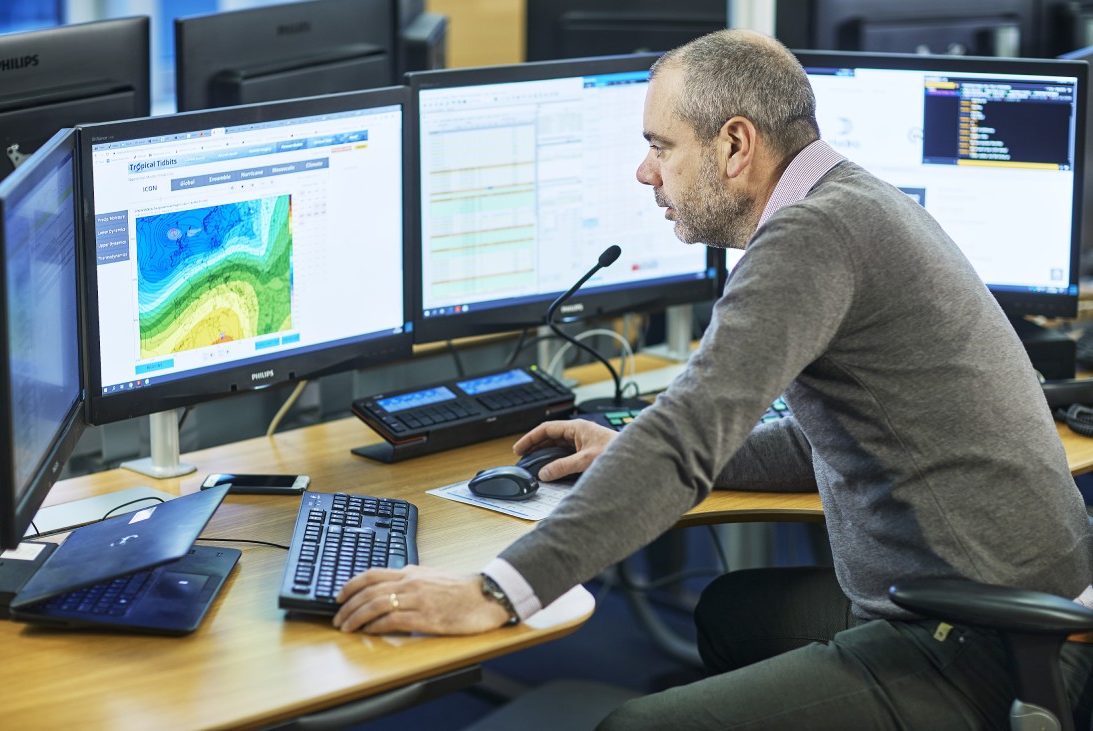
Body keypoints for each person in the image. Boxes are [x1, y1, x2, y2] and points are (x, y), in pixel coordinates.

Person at [333, 28, 1093, 728]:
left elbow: (683, 441)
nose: (643, 172)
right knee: (731, 614)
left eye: (660, 146)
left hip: (995, 642)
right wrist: (619, 449)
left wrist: (493, 590)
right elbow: (822, 441)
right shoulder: (854, 200)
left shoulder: (810, 237)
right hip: (1015, 601)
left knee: (632, 726)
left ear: (735, 145)